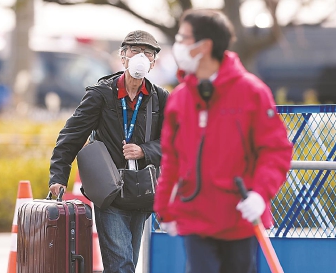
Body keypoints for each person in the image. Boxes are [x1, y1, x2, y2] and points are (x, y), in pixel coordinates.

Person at [153, 9, 293, 273]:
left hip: (240, 217)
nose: (177, 46)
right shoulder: (180, 99)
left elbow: (276, 150)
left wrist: (260, 195)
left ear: (203, 46)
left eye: (182, 38)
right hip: (195, 215)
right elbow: (171, 158)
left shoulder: (252, 92)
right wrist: (163, 208)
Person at [49, 30, 169, 273]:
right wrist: (58, 176)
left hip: (143, 192)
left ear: (154, 62)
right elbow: (71, 136)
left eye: (148, 53)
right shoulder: (101, 94)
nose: (141, 58)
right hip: (110, 192)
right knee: (121, 265)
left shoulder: (160, 98)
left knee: (126, 264)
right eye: (135, 51)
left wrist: (145, 151)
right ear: (122, 56)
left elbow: (174, 142)